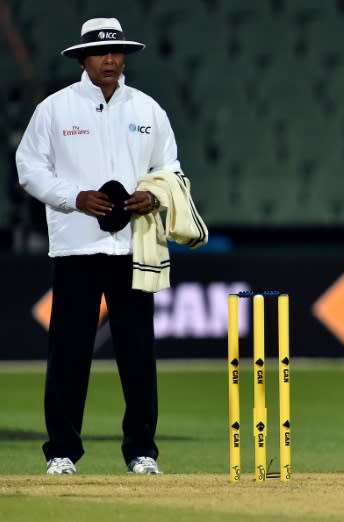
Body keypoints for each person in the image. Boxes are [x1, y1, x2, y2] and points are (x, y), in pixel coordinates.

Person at [15, 17, 183, 475]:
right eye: (100, 53)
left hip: (134, 248)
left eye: (117, 51)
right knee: (68, 353)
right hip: (76, 250)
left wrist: (156, 194)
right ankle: (63, 453)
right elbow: (28, 167)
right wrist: (74, 197)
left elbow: (172, 170)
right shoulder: (55, 109)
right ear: (82, 59)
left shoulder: (148, 110)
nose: (110, 59)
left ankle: (142, 452)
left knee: (138, 354)